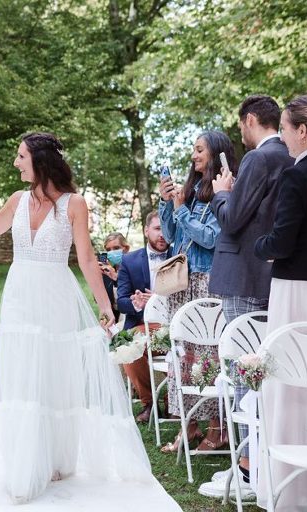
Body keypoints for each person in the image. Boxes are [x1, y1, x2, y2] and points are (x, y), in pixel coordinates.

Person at [0, 132, 152, 504]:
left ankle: (56, 458)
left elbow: (85, 258)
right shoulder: (17, 200)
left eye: (21, 156)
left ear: (40, 160)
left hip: (56, 295)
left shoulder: (74, 204)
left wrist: (105, 306)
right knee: (23, 373)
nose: (16, 162)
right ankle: (27, 459)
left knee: (53, 374)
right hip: (19, 296)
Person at [199, 95, 293, 500]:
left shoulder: (258, 158)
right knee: (268, 370)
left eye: (241, 125)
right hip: (274, 278)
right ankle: (262, 463)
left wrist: (222, 193)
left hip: (243, 277)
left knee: (243, 373)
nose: (240, 134)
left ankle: (248, 471)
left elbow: (234, 220)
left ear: (251, 119)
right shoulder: (293, 157)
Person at [254, 94, 307, 511]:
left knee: (291, 380)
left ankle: (293, 489)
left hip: (297, 291)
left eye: (283, 128)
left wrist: (261, 246)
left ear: (303, 130)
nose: (282, 136)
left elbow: (281, 241)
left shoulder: (297, 176)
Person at [158, 130, 235, 454]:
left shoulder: (223, 191)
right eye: (193, 149)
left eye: (199, 149)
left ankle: (218, 428)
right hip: (182, 283)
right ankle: (188, 424)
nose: (193, 155)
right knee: (181, 354)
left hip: (205, 281)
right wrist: (167, 203)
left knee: (207, 354)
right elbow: (169, 235)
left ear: (215, 152)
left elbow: (211, 239)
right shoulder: (188, 193)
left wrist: (181, 211)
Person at [116, 212, 170, 423]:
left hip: (176, 327)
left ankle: (172, 400)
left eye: (165, 229)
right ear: (146, 230)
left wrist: (157, 299)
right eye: (157, 229)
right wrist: (136, 303)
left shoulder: (181, 255)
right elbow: (121, 300)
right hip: (144, 326)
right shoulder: (129, 260)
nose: (162, 234)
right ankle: (150, 403)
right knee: (125, 344)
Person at [99, 232, 130, 323]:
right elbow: (101, 301)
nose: (112, 252)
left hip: (129, 315)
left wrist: (117, 277)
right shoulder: (106, 270)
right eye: (108, 250)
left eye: (116, 248)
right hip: (113, 317)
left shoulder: (133, 267)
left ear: (126, 248)